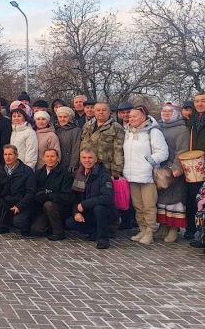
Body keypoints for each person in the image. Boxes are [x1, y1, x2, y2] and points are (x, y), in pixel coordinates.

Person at [122, 105, 168, 245]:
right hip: (131, 175)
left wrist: (149, 162)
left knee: (149, 206)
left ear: (143, 117)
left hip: (147, 176)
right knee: (138, 205)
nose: (131, 119)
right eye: (130, 116)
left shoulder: (153, 132)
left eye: (135, 116)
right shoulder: (128, 131)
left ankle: (150, 232)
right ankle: (142, 228)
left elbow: (163, 152)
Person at [66, 149, 118, 249]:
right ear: (80, 159)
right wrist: (76, 211)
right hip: (87, 212)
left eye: (90, 158)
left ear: (95, 160)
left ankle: (103, 239)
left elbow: (107, 197)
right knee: (70, 222)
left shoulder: (103, 175)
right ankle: (94, 231)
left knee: (99, 208)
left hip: (105, 212)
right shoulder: (78, 174)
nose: (87, 160)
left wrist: (84, 204)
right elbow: (75, 197)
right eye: (84, 158)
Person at [155, 103, 189, 242]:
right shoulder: (158, 126)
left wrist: (177, 168)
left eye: (169, 112)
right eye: (164, 111)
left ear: (176, 113)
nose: (166, 114)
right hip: (160, 169)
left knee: (175, 200)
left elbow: (182, 150)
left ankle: (174, 229)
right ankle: (163, 226)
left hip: (174, 170)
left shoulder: (182, 130)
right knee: (162, 199)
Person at [0, 145, 35, 236]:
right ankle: (1, 227)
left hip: (21, 203)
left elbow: (30, 192)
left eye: (10, 154)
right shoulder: (0, 169)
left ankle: (27, 225)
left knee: (18, 222)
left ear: (16, 155)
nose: (7, 157)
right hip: (7, 201)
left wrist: (19, 206)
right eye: (5, 154)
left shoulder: (27, 171)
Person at [30, 148, 73, 240]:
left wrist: (49, 196)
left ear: (58, 158)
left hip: (60, 208)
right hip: (42, 209)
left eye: (52, 156)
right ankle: (49, 226)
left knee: (48, 204)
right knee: (36, 230)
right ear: (43, 158)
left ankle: (59, 232)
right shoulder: (38, 173)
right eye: (47, 156)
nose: (50, 159)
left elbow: (67, 197)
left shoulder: (65, 175)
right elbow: (33, 190)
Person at [80, 102, 125, 179]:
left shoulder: (116, 127)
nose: (101, 112)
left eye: (104, 110)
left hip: (105, 168)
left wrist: (116, 170)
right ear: (94, 112)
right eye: (98, 110)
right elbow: (82, 143)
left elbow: (119, 150)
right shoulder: (87, 125)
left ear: (109, 112)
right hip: (86, 165)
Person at [185, 93, 205, 242]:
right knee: (192, 198)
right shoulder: (191, 120)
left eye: (203, 101)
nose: (199, 104)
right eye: (197, 101)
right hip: (193, 165)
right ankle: (192, 230)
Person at [54, 106, 82, 173]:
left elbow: (76, 148)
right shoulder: (55, 129)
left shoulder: (76, 130)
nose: (62, 119)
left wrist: (73, 164)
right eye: (60, 117)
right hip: (56, 163)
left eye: (65, 117)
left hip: (68, 163)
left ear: (70, 118)